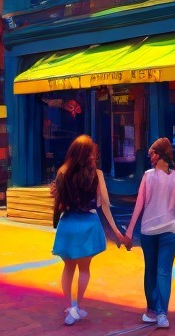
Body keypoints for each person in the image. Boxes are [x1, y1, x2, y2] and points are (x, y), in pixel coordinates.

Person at [51, 135, 125, 327]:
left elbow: (57, 201)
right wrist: (117, 232)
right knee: (84, 269)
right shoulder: (97, 175)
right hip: (88, 224)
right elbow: (105, 205)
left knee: (68, 268)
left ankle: (71, 306)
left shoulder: (63, 172)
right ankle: (77, 305)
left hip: (68, 224)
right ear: (89, 154)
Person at [124, 137, 175, 329]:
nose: (150, 157)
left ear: (159, 155)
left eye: (152, 154)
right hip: (170, 231)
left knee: (151, 270)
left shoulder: (147, 176)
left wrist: (129, 232)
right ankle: (162, 314)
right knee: (164, 271)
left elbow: (139, 205)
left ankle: (152, 311)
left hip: (148, 231)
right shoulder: (174, 177)